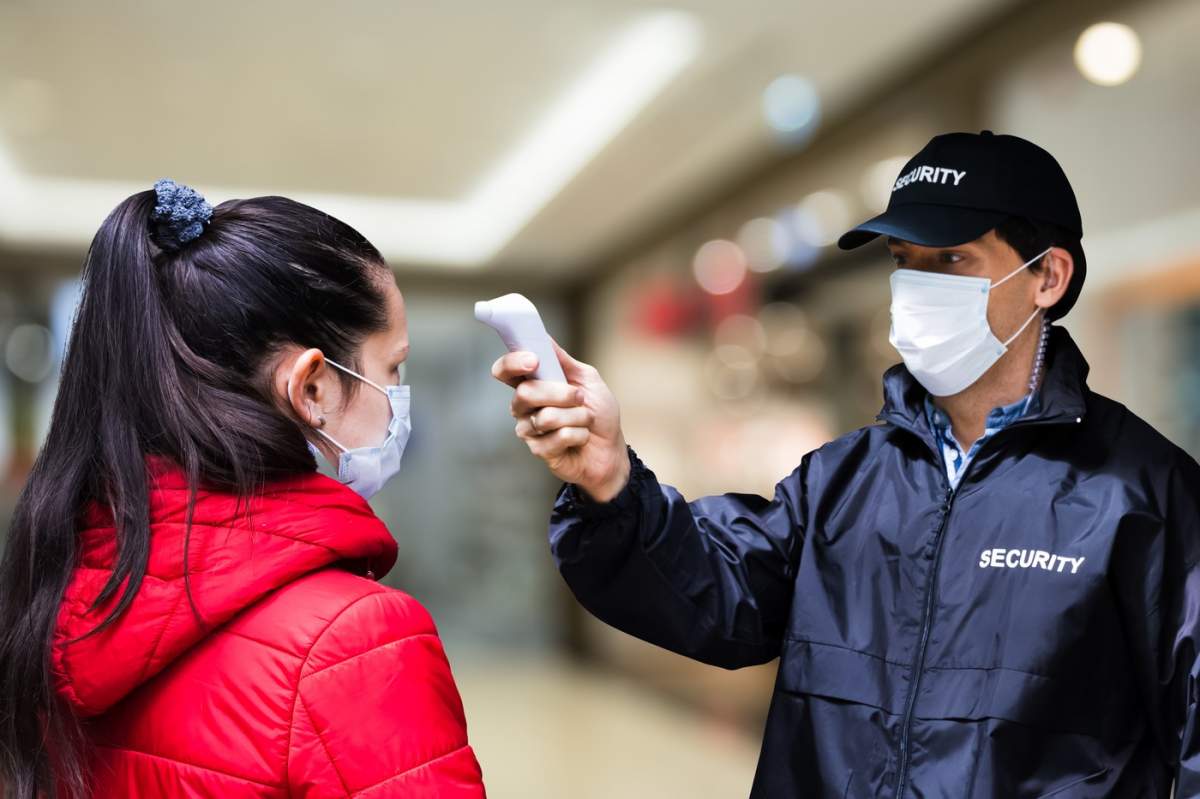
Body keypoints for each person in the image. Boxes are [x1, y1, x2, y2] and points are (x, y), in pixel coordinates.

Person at [491, 131, 1200, 797]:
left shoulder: (1141, 495)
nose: (917, 287)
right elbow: (716, 597)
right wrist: (611, 479)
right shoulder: (841, 482)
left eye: (951, 259)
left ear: (1047, 275)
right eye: (904, 261)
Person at [0, 180, 485, 798]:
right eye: (393, 368)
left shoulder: (62, 597)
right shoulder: (355, 640)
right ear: (311, 387)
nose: (398, 399)